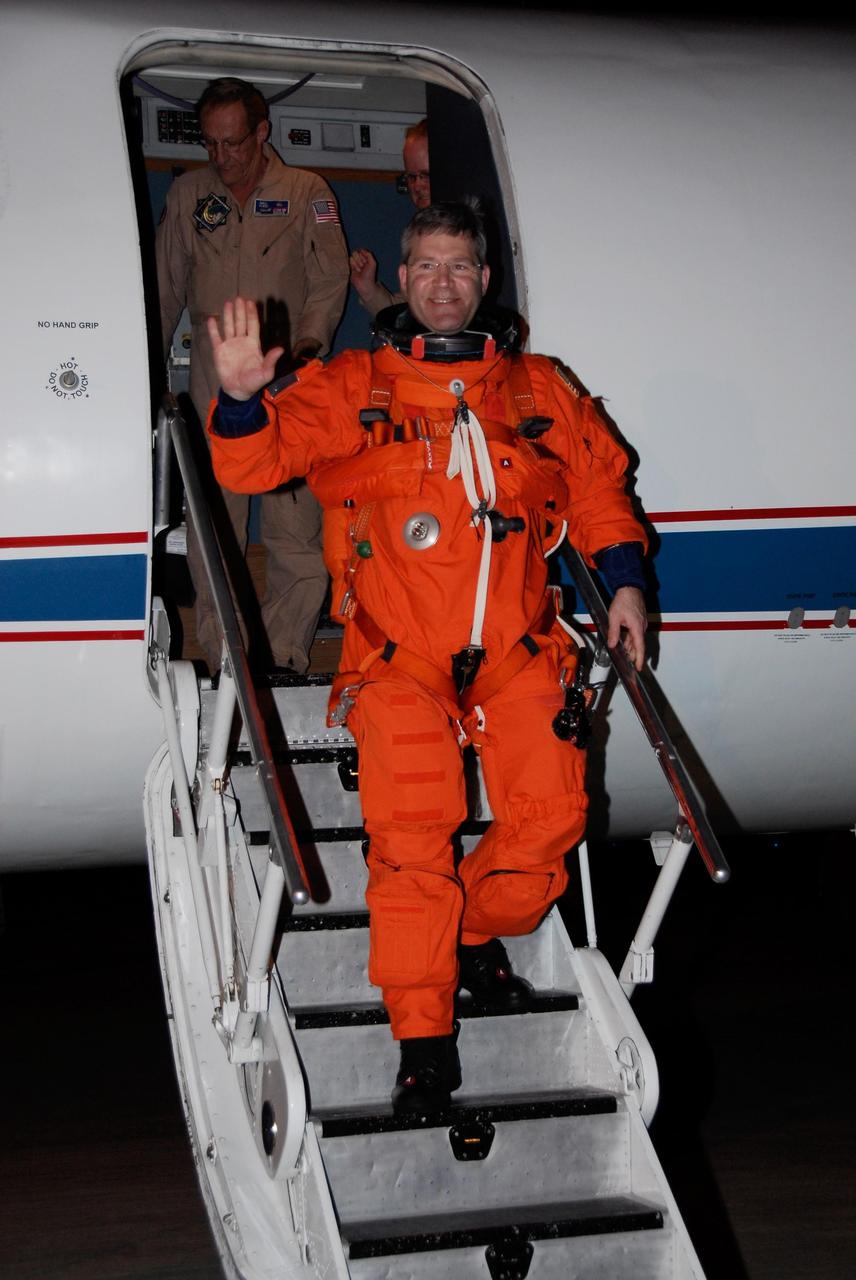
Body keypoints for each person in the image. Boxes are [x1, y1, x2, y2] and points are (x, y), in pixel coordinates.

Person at [206, 202, 649, 1112]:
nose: (444, 284)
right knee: (411, 850)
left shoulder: (536, 391)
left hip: (519, 655)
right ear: (402, 280)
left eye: (460, 267)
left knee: (550, 828)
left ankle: (467, 933)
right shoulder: (355, 387)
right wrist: (243, 399)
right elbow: (252, 466)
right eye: (427, 267)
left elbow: (601, 490)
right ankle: (423, 1039)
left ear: (484, 281)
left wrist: (627, 584)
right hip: (399, 660)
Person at [156, 77, 349, 674]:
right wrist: (149, 370)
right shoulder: (188, 195)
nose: (222, 157)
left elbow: (330, 280)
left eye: (234, 142)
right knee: (215, 520)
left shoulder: (306, 191)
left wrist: (307, 348)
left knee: (295, 524)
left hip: (290, 373)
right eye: (211, 144)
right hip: (214, 375)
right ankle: (226, 654)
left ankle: (285, 653)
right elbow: (164, 288)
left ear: (261, 132)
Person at [349, 118, 430, 316]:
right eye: (411, 177)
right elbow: (407, 318)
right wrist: (368, 289)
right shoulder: (420, 230)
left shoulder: (466, 233)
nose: (417, 186)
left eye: (426, 175)